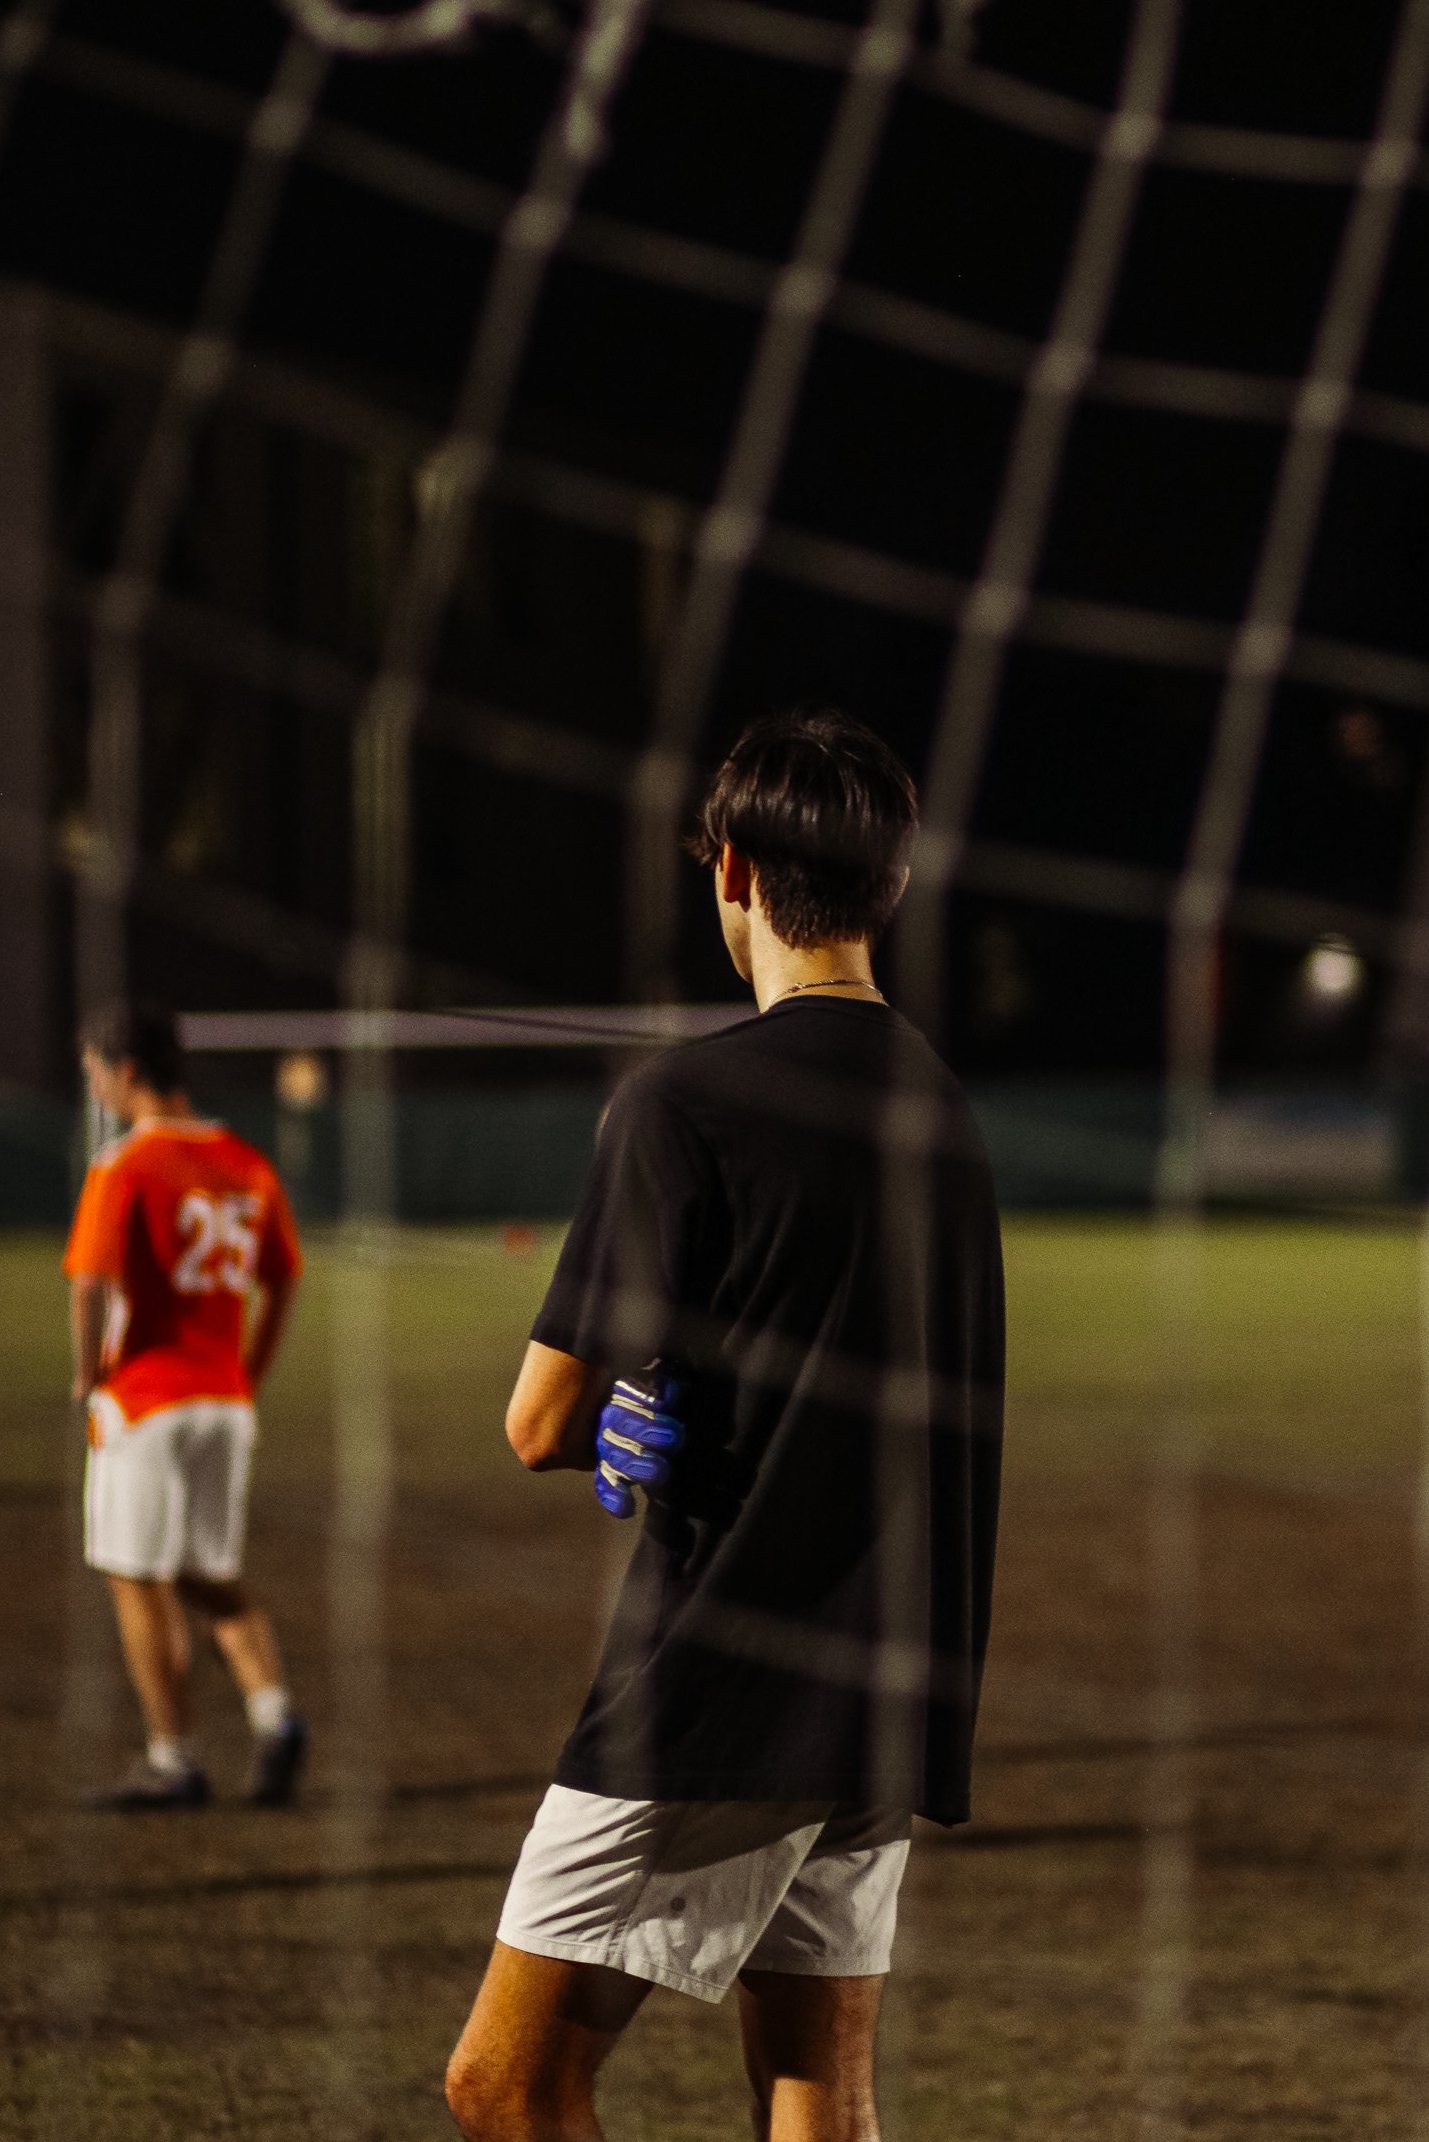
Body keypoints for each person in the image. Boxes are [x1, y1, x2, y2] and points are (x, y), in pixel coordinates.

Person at [445, 705, 1005, 2142]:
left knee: (506, 2086)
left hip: (722, 1679)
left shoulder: (681, 1101)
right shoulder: (941, 1109)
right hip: (895, 1668)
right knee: (818, 2094)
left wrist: (622, 1415)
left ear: (734, 872)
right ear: (888, 884)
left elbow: (538, 1421)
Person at [65, 998, 309, 1808]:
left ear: (127, 1070)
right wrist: (250, 1373)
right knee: (208, 1574)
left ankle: (173, 1758)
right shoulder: (244, 1159)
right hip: (224, 1402)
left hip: (145, 1400)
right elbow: (284, 1278)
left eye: (94, 1071)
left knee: (139, 1580)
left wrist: (86, 1375)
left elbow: (89, 1283)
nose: (94, 1087)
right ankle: (275, 1716)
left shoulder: (124, 1163)